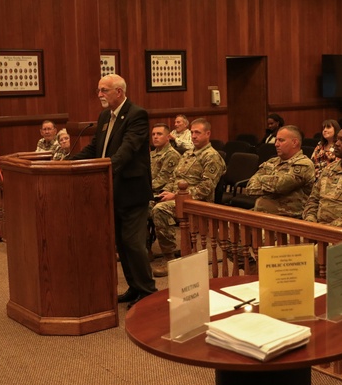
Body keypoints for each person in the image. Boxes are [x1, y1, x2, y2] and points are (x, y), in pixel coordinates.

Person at [70, 74, 155, 307]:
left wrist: (106, 168)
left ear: (119, 92)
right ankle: (134, 286)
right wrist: (69, 162)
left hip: (132, 190)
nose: (99, 95)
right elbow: (96, 148)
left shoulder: (136, 115)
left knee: (134, 243)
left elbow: (128, 150)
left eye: (104, 90)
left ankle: (148, 291)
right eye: (98, 90)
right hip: (110, 189)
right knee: (121, 243)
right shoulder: (105, 116)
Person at [151, 118, 227, 277]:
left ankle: (169, 259)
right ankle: (145, 249)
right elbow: (173, 177)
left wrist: (176, 196)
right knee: (146, 203)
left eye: (197, 132)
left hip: (197, 202)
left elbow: (206, 187)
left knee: (160, 210)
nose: (193, 136)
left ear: (208, 134)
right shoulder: (187, 153)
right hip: (178, 197)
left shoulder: (211, 156)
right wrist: (165, 192)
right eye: (192, 132)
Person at [244, 125, 314, 218]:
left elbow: (280, 186)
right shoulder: (272, 161)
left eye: (281, 140)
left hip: (286, 219)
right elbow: (250, 188)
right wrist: (272, 186)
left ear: (294, 143)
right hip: (261, 215)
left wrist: (261, 180)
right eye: (276, 140)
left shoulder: (304, 164)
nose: (276, 144)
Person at [150, 123, 180, 196]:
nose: (155, 137)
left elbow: (163, 180)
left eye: (159, 134)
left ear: (168, 137)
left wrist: (142, 188)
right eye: (153, 134)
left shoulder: (171, 154)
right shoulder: (151, 154)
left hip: (161, 192)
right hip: (149, 190)